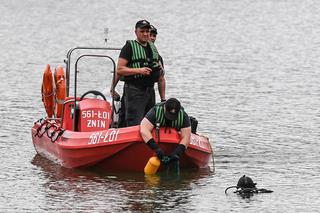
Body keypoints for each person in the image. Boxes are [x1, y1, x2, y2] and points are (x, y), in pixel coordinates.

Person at [111, 20, 166, 127]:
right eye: (142, 31)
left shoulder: (153, 48)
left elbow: (161, 77)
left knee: (149, 123)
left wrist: (163, 99)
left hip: (150, 91)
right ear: (136, 32)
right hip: (134, 91)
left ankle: (146, 141)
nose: (145, 34)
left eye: (147, 31)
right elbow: (120, 70)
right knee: (134, 122)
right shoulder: (129, 47)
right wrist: (139, 70)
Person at [140, 98, 191, 164]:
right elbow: (144, 129)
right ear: (164, 108)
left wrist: (177, 153)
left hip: (175, 142)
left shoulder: (183, 116)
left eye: (173, 115)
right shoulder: (155, 112)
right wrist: (156, 148)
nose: (171, 117)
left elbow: (187, 137)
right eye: (169, 114)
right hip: (155, 139)